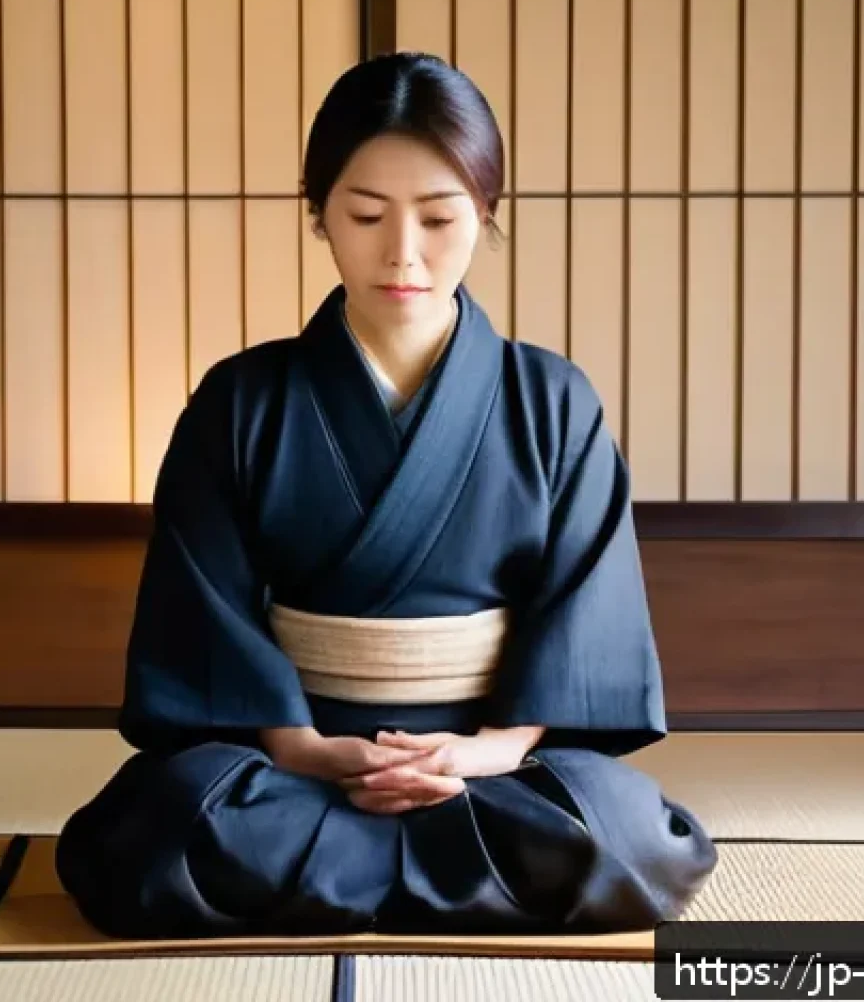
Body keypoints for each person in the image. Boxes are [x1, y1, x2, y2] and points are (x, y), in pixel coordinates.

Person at [55, 51, 717, 939]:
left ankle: (339, 873)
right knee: (163, 830)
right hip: (295, 762)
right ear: (318, 212)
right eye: (366, 214)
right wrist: (306, 749)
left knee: (626, 838)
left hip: (488, 767)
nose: (403, 252)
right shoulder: (240, 401)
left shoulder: (554, 401)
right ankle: (446, 874)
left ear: (485, 213)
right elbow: (204, 608)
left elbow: (582, 613)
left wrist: (486, 751)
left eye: (439, 217)